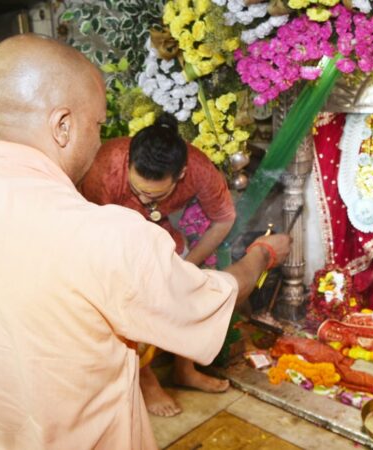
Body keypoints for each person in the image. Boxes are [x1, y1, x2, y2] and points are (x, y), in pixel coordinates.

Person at [0, 33, 291, 450]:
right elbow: (212, 300)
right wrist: (262, 255)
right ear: (62, 125)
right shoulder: (107, 235)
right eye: (98, 124)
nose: (100, 140)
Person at [80, 113, 236, 417]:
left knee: (191, 288)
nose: (142, 198)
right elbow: (92, 234)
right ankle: (146, 377)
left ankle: (185, 368)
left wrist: (187, 269)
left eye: (154, 195)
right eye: (137, 190)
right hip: (111, 244)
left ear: (180, 175)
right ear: (128, 166)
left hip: (163, 240)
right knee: (130, 295)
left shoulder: (199, 168)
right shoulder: (107, 165)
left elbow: (224, 218)